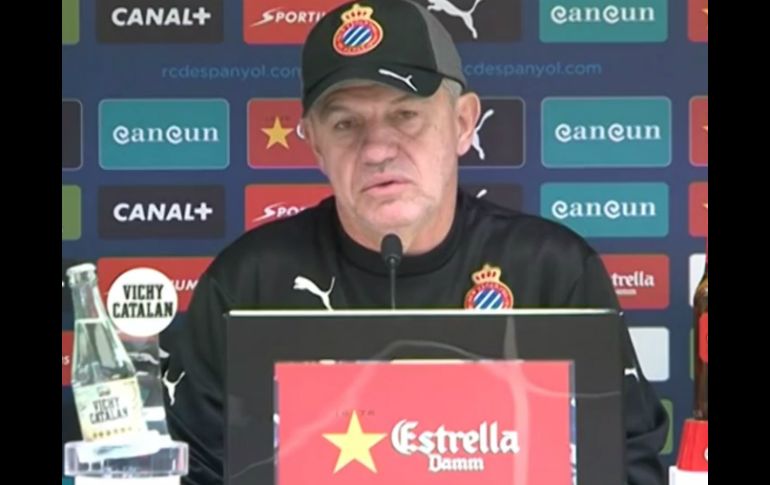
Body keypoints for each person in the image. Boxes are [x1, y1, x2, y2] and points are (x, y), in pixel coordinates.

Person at [162, 0, 669, 483]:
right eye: (346, 124)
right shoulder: (247, 283)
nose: (377, 149)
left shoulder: (552, 271)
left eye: (405, 115)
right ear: (316, 145)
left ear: (463, 123)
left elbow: (625, 467)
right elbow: (193, 472)